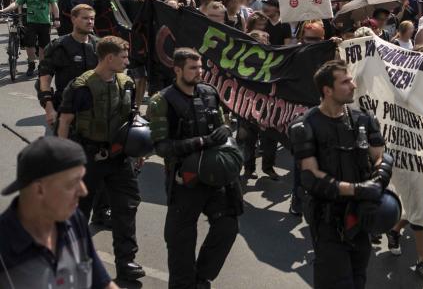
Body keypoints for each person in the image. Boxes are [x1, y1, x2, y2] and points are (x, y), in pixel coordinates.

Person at [290, 60, 391, 289]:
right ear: (327, 90)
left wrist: (378, 179)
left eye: (351, 79)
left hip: (361, 214)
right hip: (327, 218)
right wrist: (356, 189)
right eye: (345, 82)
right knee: (335, 281)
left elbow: (380, 155)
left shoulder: (364, 119)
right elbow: (311, 176)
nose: (353, 85)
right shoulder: (304, 126)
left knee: (358, 278)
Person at [148, 48, 242, 289]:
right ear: (177, 69)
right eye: (193, 68)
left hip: (215, 176)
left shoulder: (209, 93)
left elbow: (223, 124)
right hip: (185, 181)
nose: (199, 72)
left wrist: (225, 131)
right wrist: (202, 142)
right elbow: (162, 147)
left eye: (200, 67)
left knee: (227, 226)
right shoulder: (162, 101)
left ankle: (202, 278)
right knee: (180, 244)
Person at [56, 36, 144, 281]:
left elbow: (133, 117)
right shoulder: (81, 86)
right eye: (124, 57)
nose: (128, 61)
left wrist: (138, 151)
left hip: (120, 157)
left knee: (126, 208)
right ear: (109, 58)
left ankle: (126, 262)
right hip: (87, 157)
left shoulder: (127, 83)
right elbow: (65, 122)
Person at [0, 136, 119, 289]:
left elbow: (102, 283)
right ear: (39, 189)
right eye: (73, 183)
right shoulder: (4, 248)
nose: (83, 191)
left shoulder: (74, 220)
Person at [37, 4, 99, 132]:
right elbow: (44, 80)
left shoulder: (100, 45)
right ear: (73, 19)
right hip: (67, 109)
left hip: (96, 109)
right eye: (85, 18)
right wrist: (49, 109)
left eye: (92, 19)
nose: (90, 22)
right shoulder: (58, 46)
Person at [0, 0, 60, 77]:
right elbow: (16, 3)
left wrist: (56, 19)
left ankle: (41, 66)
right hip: (31, 22)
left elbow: (54, 5)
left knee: (43, 46)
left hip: (45, 22)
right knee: (29, 44)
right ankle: (31, 64)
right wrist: (3, 10)